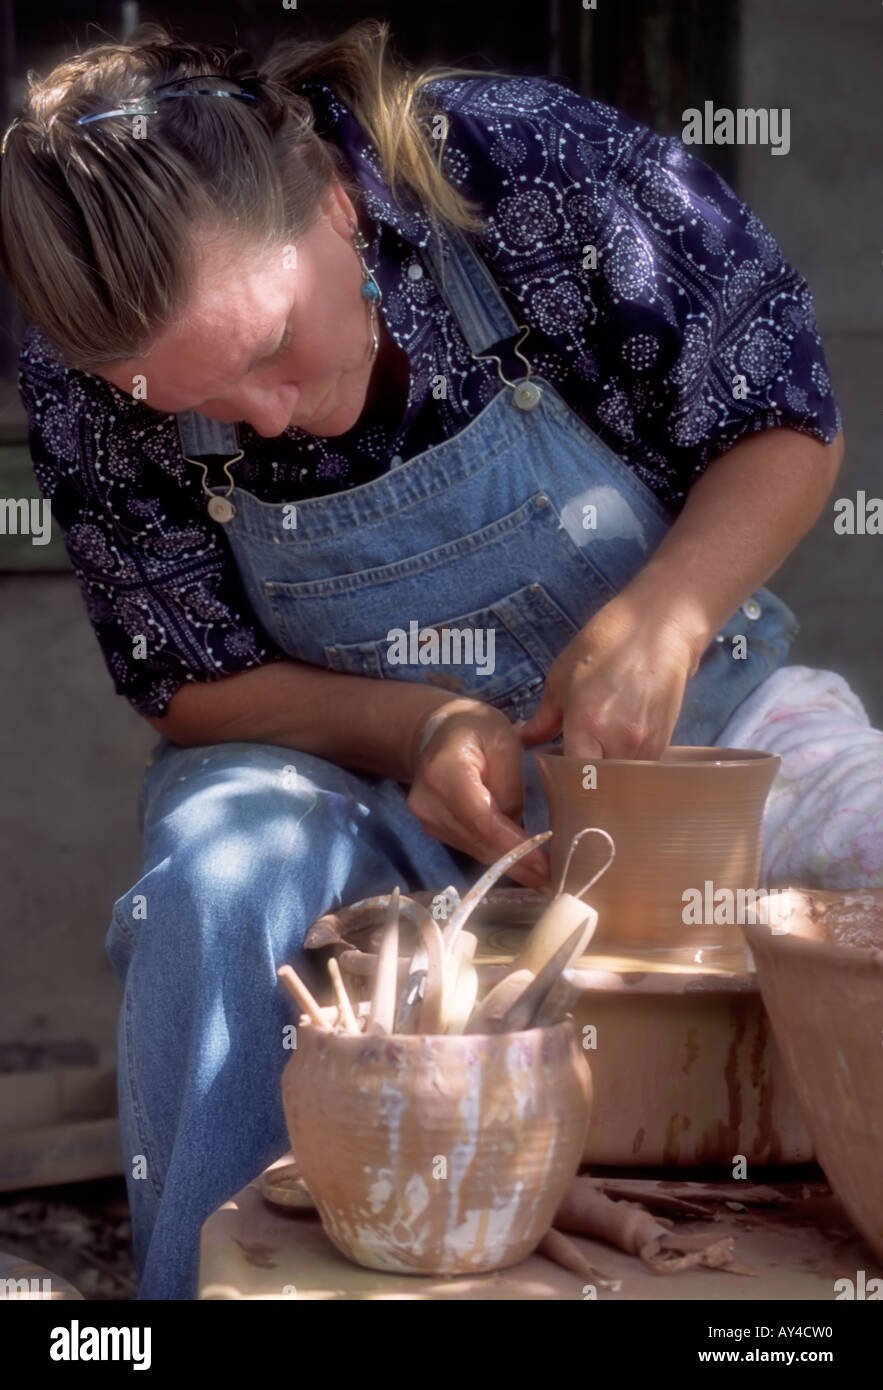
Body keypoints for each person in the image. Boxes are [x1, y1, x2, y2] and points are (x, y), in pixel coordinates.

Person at [2, 20, 879, 1299]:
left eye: (266, 349)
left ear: (336, 204)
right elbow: (181, 676)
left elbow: (786, 421)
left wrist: (671, 609)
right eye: (186, 403)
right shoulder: (83, 372)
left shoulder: (519, 167)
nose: (259, 415)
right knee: (220, 881)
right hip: (371, 795)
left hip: (707, 735)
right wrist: (413, 726)